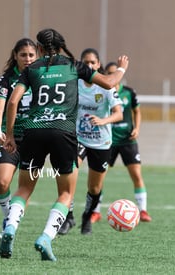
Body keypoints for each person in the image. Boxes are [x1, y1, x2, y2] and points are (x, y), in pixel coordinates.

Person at [0, 28, 128, 261]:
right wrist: (121, 69)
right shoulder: (73, 66)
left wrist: (9, 135)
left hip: (33, 131)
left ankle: (10, 229)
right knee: (66, 193)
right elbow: (109, 83)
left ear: (38, 48)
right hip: (63, 133)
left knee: (24, 189)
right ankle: (46, 237)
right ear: (61, 46)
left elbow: (13, 101)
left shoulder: (32, 69)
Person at [58, 49, 124, 235]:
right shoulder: (74, 83)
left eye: (93, 62)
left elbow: (119, 113)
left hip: (101, 143)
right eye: (85, 62)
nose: (89, 66)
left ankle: (87, 217)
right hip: (78, 138)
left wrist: (104, 121)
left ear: (98, 64)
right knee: (68, 175)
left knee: (94, 187)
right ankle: (67, 217)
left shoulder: (105, 85)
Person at [82, 61, 152, 225]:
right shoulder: (104, 90)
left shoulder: (129, 92)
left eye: (116, 72)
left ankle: (143, 210)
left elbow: (137, 111)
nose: (113, 75)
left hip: (128, 140)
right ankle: (96, 212)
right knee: (100, 178)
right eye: (110, 73)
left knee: (136, 175)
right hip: (109, 141)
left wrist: (137, 128)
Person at [0, 38, 37, 240]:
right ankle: (7, 218)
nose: (27, 59)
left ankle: (10, 226)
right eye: (23, 55)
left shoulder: (42, 77)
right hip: (10, 138)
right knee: (2, 183)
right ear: (15, 56)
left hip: (34, 138)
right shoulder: (7, 79)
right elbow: (0, 106)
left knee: (24, 187)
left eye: (31, 55)